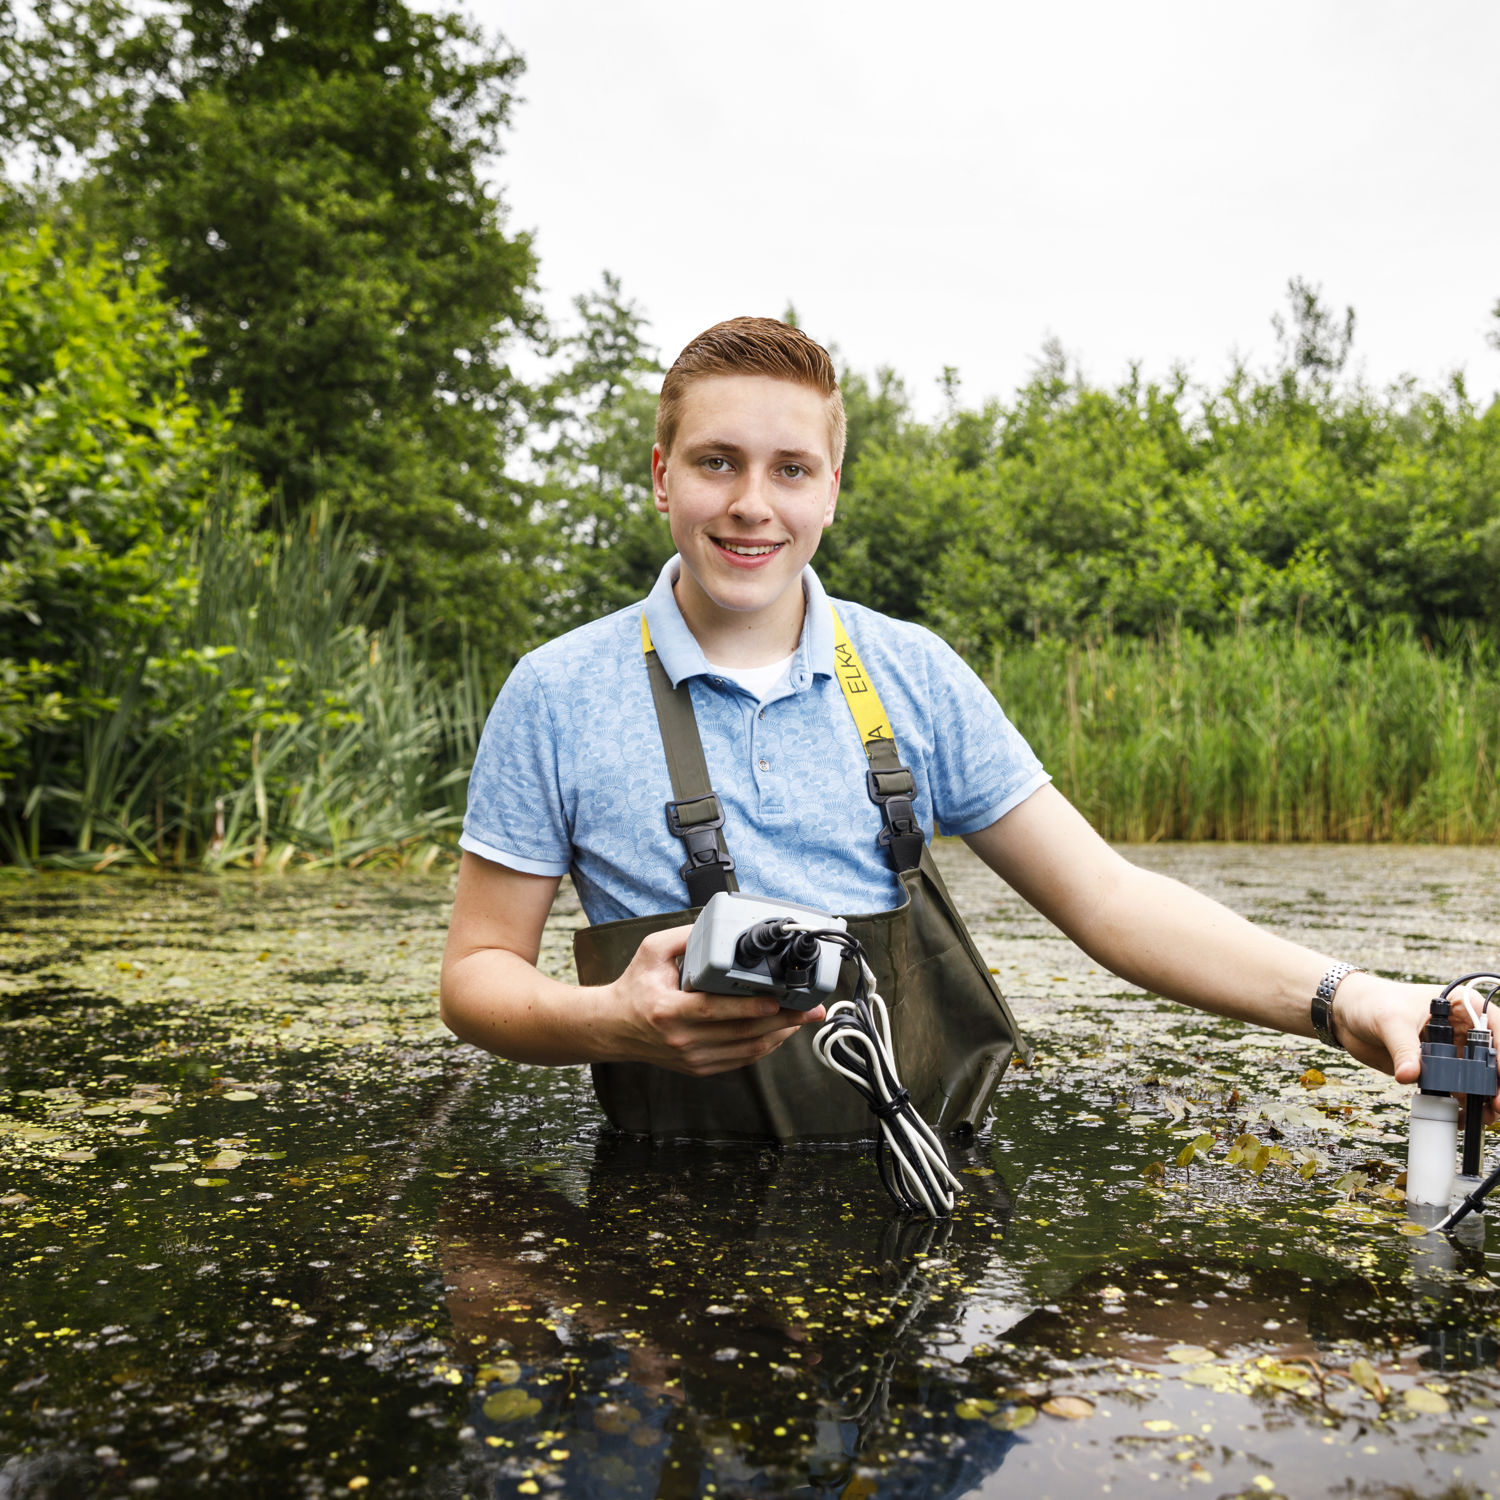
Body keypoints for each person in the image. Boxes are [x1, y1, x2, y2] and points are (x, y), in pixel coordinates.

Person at [441, 316, 1490, 1134]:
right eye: (717, 462)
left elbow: (1111, 901)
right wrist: (612, 1022)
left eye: (790, 469)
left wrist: (1346, 998)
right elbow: (477, 977)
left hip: (927, 1190)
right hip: (658, 1224)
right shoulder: (555, 692)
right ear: (662, 474)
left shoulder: (915, 674)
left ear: (832, 491)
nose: (752, 503)